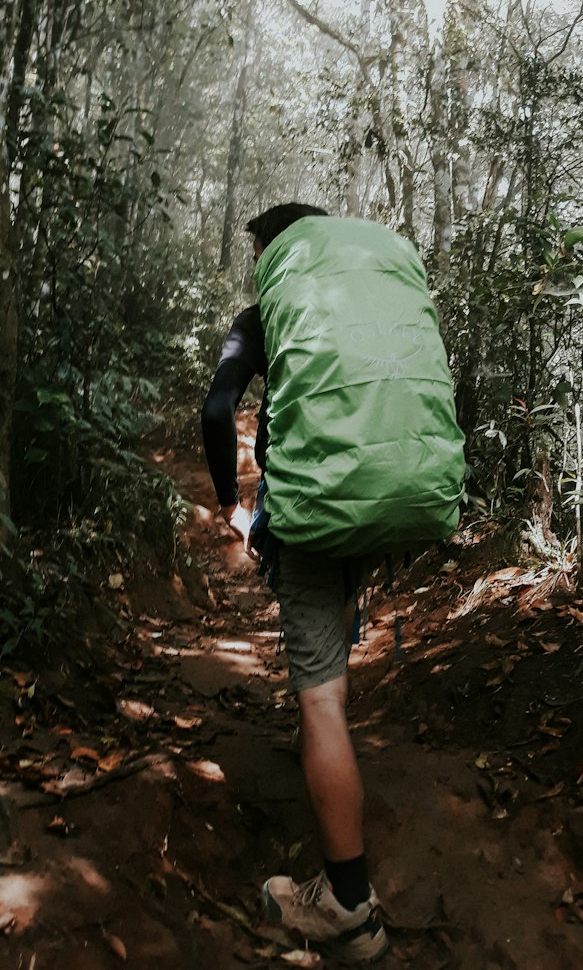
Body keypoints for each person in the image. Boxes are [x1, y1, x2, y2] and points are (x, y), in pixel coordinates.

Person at [201, 203, 464, 965]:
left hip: (315, 510)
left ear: (269, 253)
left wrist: (232, 504)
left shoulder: (267, 312)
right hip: (403, 493)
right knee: (333, 634)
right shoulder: (374, 299)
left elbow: (219, 406)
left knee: (317, 694)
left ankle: (347, 908)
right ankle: (323, 738)